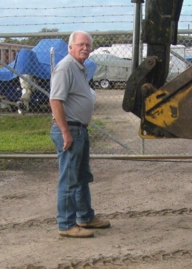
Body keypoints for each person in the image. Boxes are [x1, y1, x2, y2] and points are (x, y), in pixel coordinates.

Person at [50, 30, 111, 238]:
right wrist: (66, 132)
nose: (85, 48)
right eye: (80, 44)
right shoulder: (66, 67)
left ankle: (85, 217)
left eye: (88, 45)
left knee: (82, 176)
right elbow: (55, 101)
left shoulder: (80, 68)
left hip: (79, 129)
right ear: (70, 47)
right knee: (69, 179)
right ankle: (66, 224)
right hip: (70, 129)